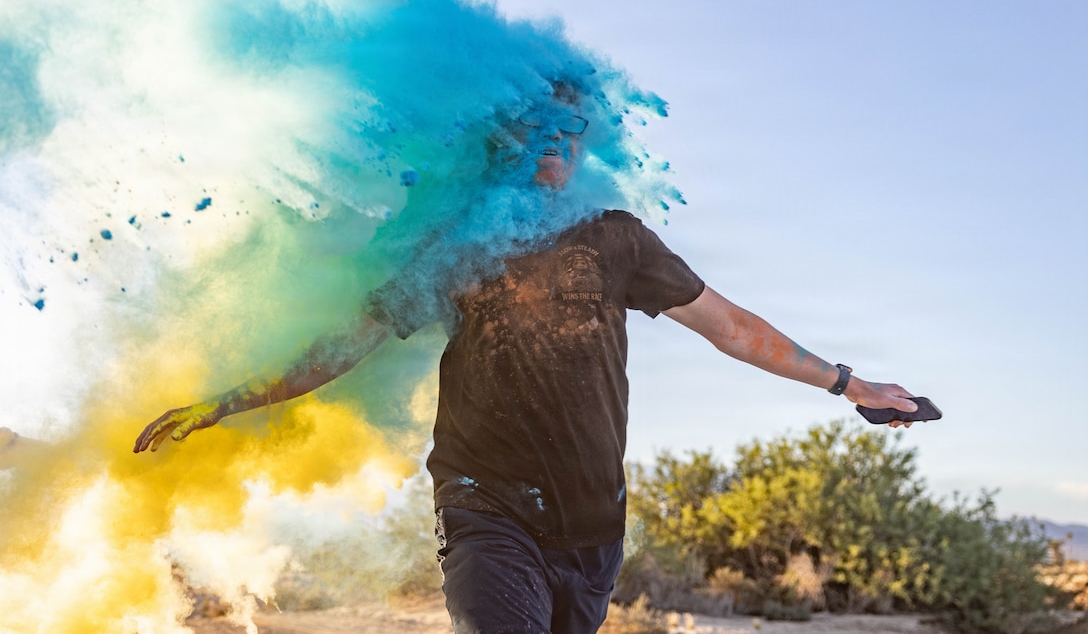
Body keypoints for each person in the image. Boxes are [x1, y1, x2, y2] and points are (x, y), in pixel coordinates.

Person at [134, 82, 919, 634]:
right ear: (500, 139)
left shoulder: (617, 238)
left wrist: (847, 383)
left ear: (582, 150)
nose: (552, 140)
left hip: (594, 528)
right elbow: (344, 344)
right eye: (535, 125)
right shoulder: (452, 248)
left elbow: (729, 325)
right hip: (487, 507)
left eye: (568, 132)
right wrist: (227, 400)